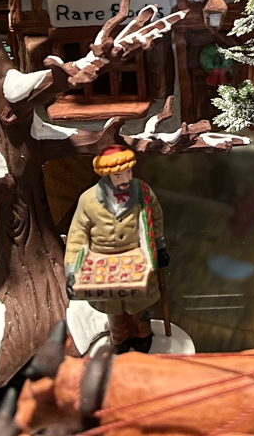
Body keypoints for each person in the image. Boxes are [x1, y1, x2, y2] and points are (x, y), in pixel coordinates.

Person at [64, 146, 168, 354]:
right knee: (113, 307)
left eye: (128, 172)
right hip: (102, 261)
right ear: (107, 175)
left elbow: (155, 218)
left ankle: (142, 334)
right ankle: (119, 338)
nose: (126, 178)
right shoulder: (88, 200)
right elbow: (77, 236)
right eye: (119, 175)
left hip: (137, 257)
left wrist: (160, 246)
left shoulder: (142, 192)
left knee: (140, 303)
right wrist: (72, 271)